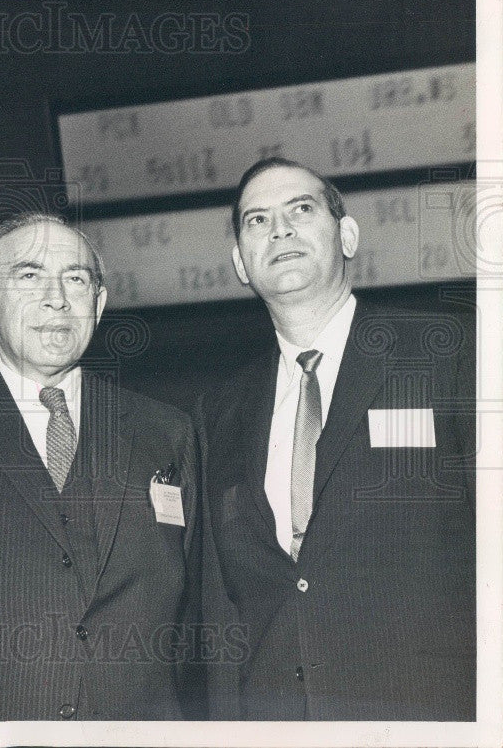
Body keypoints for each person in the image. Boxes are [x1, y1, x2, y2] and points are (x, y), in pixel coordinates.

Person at [196, 158, 475, 720]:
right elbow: (222, 606)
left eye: (301, 209)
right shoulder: (219, 412)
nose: (280, 230)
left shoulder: (448, 352)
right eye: (257, 220)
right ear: (240, 266)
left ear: (347, 235)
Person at [0, 213, 202, 720]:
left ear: (100, 302)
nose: (57, 298)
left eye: (75, 278)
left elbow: (197, 620)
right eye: (29, 276)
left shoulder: (166, 433)